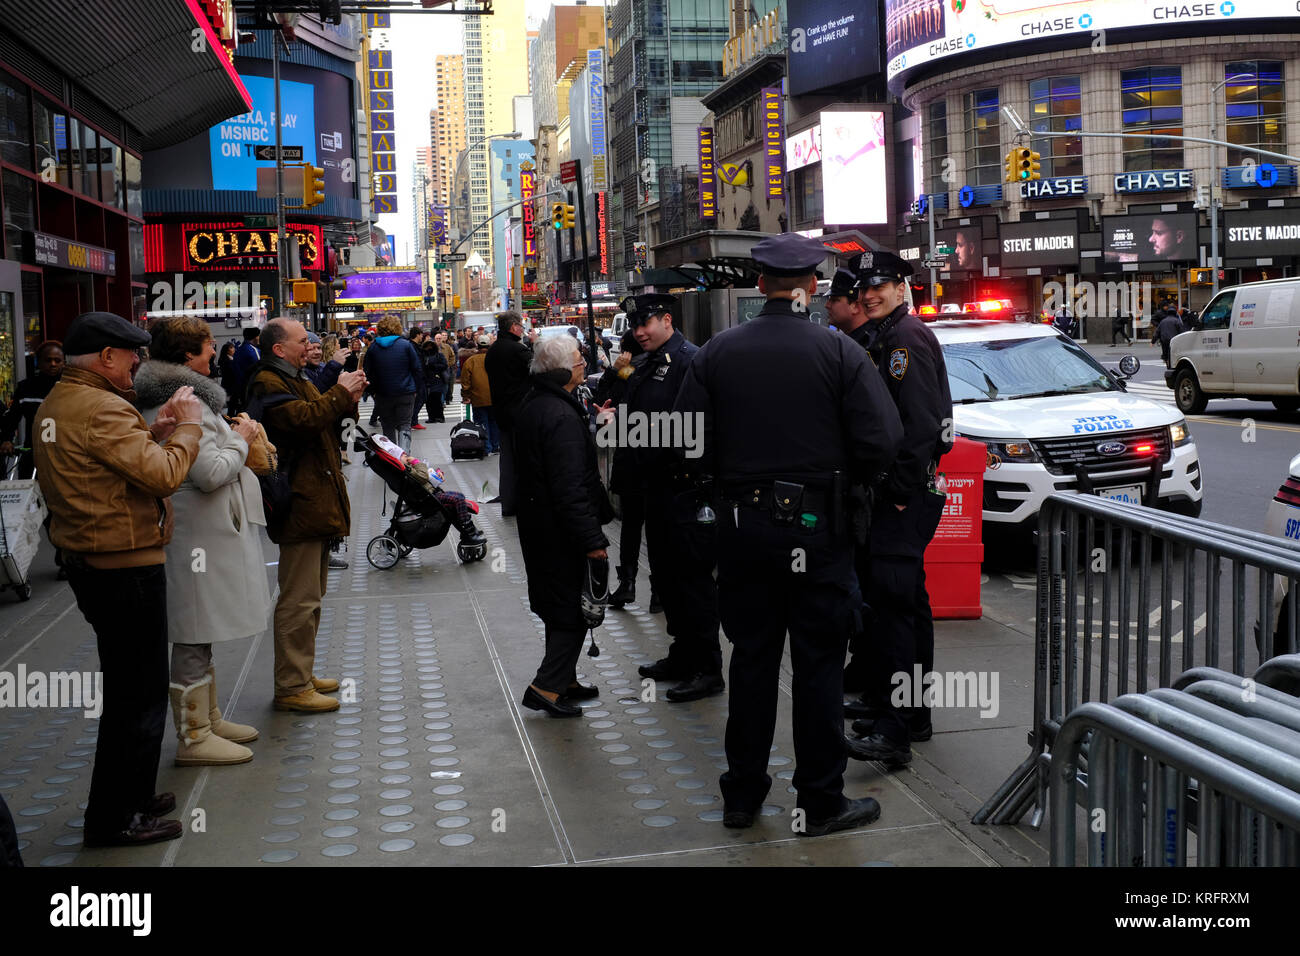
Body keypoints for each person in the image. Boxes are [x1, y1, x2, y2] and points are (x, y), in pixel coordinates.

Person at [674, 233, 903, 837]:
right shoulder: (840, 353)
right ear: (812, 288)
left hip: (742, 531)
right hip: (818, 531)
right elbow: (882, 441)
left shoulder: (717, 353)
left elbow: (687, 444)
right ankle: (820, 801)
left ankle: (742, 798)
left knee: (750, 662)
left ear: (760, 286)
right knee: (819, 667)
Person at [34, 311, 206, 847]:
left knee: (133, 689)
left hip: (96, 560)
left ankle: (132, 794)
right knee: (138, 695)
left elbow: (107, 465)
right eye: (131, 352)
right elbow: (163, 474)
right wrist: (191, 430)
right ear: (107, 358)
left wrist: (154, 432)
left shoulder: (64, 401)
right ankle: (114, 818)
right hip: (123, 565)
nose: (138, 361)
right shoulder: (103, 406)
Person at [133, 316, 271, 767]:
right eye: (210, 346)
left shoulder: (184, 397)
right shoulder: (180, 402)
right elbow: (209, 472)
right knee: (193, 629)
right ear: (189, 355)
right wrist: (243, 440)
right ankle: (194, 736)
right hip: (197, 536)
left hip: (204, 532)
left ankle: (207, 718)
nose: (216, 352)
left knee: (202, 627)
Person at [843, 250, 953, 769]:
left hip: (903, 497)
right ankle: (908, 714)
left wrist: (901, 490)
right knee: (906, 606)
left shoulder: (905, 339)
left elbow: (923, 426)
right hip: (903, 494)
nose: (869, 294)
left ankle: (895, 729)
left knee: (893, 614)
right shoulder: (892, 335)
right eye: (865, 288)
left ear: (902, 287)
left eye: (880, 285)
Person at [246, 319, 367, 713]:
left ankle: (301, 672)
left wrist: (346, 398)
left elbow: (321, 419)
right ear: (279, 349)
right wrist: (339, 392)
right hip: (297, 499)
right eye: (302, 341)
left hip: (313, 497)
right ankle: (292, 685)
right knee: (298, 599)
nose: (310, 346)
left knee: (312, 595)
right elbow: (300, 421)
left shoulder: (295, 376)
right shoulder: (268, 382)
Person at [616, 293, 723, 703]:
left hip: (687, 489)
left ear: (666, 320)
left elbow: (698, 427)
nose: (638, 333)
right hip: (656, 487)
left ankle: (707, 667)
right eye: (635, 326)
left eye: (645, 324)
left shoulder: (689, 360)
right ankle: (682, 654)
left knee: (693, 580)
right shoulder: (647, 363)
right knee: (666, 577)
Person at [514, 334, 614, 717]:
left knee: (559, 607)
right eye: (578, 360)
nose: (584, 364)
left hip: (543, 527)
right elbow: (569, 485)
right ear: (562, 370)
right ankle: (547, 687)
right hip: (561, 533)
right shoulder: (557, 414)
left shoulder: (542, 402)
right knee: (573, 609)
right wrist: (592, 539)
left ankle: (566, 679)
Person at [823, 268, 874, 694]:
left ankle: (875, 681)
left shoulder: (863, 349)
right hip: (855, 490)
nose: (825, 306)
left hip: (866, 491)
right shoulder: (848, 346)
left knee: (869, 590)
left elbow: (897, 430)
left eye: (833, 299)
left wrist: (890, 492)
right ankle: (863, 670)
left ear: (852, 304)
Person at [594, 330, 650, 609]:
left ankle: (627, 582)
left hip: (631, 457)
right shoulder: (651, 367)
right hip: (656, 459)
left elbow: (604, 400)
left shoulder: (629, 372)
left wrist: (614, 372)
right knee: (655, 525)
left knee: (631, 524)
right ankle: (659, 592)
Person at [485, 312, 533, 515]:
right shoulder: (518, 350)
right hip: (521, 411)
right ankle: (523, 502)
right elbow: (538, 369)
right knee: (523, 458)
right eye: (521, 326)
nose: (522, 329)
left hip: (501, 410)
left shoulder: (493, 350)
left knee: (507, 459)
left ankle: (509, 502)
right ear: (513, 327)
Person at [0, 340, 64, 478]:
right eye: (48, 360)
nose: (53, 364)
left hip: (64, 455)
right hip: (32, 455)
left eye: (57, 360)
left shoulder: (72, 389)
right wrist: (7, 439)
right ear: (39, 362)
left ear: (64, 363)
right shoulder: (26, 388)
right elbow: (12, 417)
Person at [362, 315, 423, 453]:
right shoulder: (406, 345)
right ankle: (405, 457)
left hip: (383, 394)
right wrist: (415, 389)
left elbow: (368, 372)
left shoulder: (373, 348)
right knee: (405, 425)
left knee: (387, 426)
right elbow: (417, 369)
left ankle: (392, 457)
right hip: (406, 392)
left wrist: (373, 392)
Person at [459, 337, 499, 453]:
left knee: (481, 423)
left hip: (478, 398)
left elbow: (465, 381)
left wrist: (466, 396)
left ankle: (486, 448)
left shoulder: (471, 361)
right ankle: (495, 445)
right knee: (494, 422)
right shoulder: (495, 359)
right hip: (494, 397)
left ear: (478, 345)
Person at [230, 327, 261, 411]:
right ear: (255, 337)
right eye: (259, 335)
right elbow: (259, 370)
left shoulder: (238, 350)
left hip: (240, 387)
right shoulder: (254, 351)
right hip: (252, 388)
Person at [421, 332, 449, 423]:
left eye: (430, 346)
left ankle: (440, 417)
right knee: (429, 401)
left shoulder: (439, 355)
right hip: (427, 381)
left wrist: (434, 366)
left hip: (437, 379)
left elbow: (444, 365)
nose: (429, 348)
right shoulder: (423, 356)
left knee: (436, 400)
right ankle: (432, 417)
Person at [407, 328, 429, 431]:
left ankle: (413, 421)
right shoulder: (411, 346)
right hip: (416, 378)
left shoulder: (415, 346)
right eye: (421, 335)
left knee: (421, 399)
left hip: (420, 377)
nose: (422, 337)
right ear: (417, 335)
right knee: (418, 399)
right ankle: (412, 421)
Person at [217, 340, 240, 413]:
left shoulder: (232, 359)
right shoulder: (226, 360)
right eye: (231, 348)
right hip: (229, 385)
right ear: (227, 350)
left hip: (233, 385)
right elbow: (230, 373)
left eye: (233, 347)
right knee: (231, 405)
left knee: (233, 404)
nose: (234, 349)